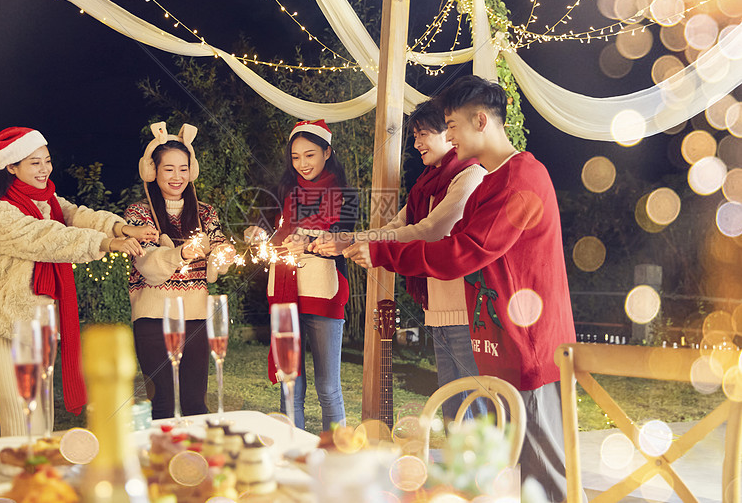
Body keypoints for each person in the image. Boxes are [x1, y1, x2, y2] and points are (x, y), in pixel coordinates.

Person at [344, 75, 575, 502]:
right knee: (503, 471)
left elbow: (459, 253)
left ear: (481, 121)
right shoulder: (490, 181)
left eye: (451, 126)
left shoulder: (521, 179)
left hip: (531, 348)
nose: (448, 136)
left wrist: (383, 255)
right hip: (500, 342)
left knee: (541, 477)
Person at [311, 99, 488, 422]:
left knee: (470, 405)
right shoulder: (426, 185)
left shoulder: (470, 176)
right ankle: (457, 471)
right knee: (451, 405)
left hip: (465, 308)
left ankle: (483, 472)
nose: (416, 143)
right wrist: (351, 239)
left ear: (448, 133)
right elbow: (396, 228)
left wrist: (367, 246)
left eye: (423, 134)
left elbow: (431, 230)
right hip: (437, 307)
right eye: (415, 135)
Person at [0, 126, 156, 436]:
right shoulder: (0, 212)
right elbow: (48, 238)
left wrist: (121, 229)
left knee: (43, 417)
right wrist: (105, 243)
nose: (45, 169)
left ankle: (41, 480)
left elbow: (78, 216)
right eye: (35, 162)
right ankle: (22, 479)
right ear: (11, 166)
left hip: (42, 320)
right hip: (6, 323)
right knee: (21, 418)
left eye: (47, 160)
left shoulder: (49, 201)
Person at [245, 119, 354, 430]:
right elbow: (268, 226)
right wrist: (257, 232)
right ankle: (292, 451)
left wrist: (308, 243)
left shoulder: (343, 194)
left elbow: (343, 237)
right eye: (295, 157)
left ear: (327, 152)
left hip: (323, 293)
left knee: (327, 386)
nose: (303, 164)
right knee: (290, 383)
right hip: (284, 291)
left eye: (310, 155)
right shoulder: (283, 190)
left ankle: (336, 454)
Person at [124, 122, 236, 419]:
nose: (177, 177)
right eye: (169, 169)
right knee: (162, 403)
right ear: (152, 171)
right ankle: (161, 463)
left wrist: (224, 255)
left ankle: (197, 463)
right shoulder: (138, 214)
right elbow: (147, 265)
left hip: (196, 318)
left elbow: (217, 250)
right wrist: (182, 253)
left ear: (192, 170)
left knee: (195, 404)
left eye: (183, 168)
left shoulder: (205, 212)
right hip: (152, 318)